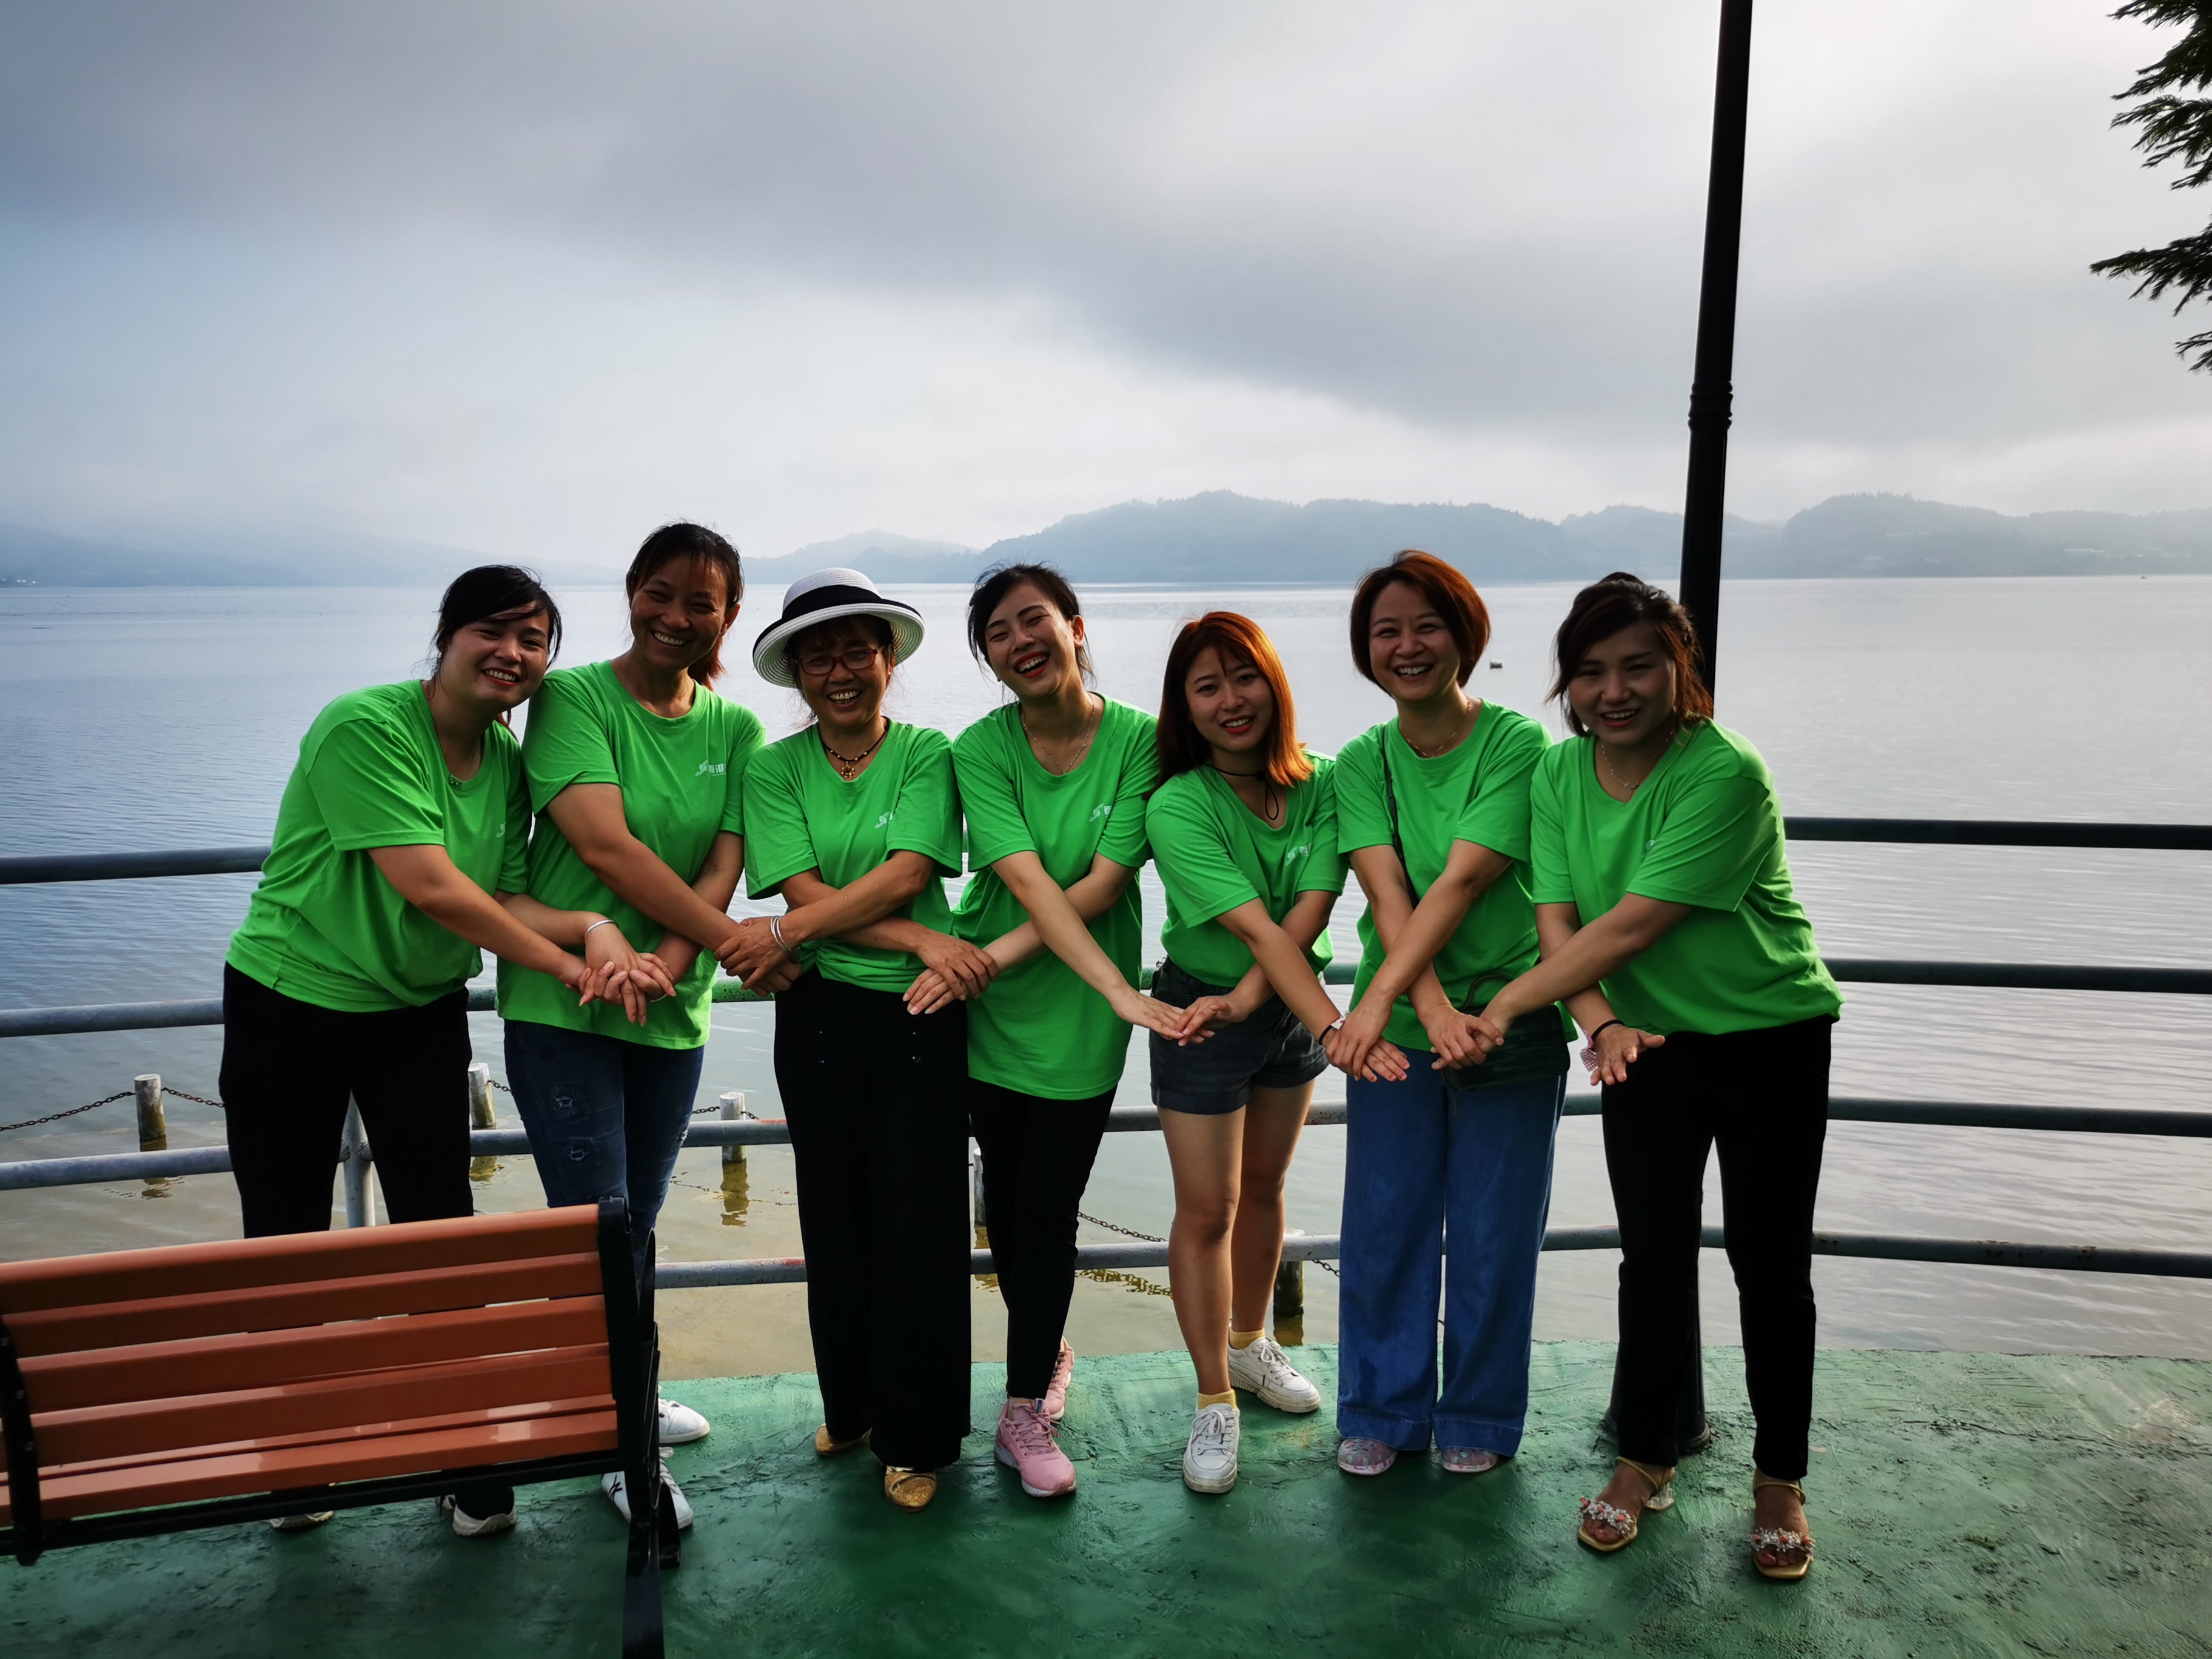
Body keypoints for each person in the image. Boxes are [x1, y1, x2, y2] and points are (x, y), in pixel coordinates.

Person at [223, 565, 664, 1539]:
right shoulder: (367, 724)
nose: (512, 654)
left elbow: (501, 895)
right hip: (290, 1002)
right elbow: (430, 884)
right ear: (447, 636)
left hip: (418, 1015)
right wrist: (568, 961)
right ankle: (297, 1468)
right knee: (286, 1236)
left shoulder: (505, 760)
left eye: (535, 641)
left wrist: (591, 924)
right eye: (492, 632)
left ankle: (468, 1467)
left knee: (442, 1237)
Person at [1465, 572, 1841, 1580]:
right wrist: (1600, 1021)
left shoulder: (1725, 772)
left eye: (1638, 666)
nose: (1614, 691)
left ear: (1681, 668)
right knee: (1654, 1260)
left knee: (1770, 1265)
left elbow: (1633, 924)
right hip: (1645, 1045)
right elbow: (1559, 919)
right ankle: (1644, 1462)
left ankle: (1780, 1480)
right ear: (1568, 684)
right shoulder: (1559, 773)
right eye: (1591, 672)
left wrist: (1504, 1008)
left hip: (1769, 1037)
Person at [497, 522, 786, 1532]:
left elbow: (725, 859)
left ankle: (627, 1389)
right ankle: (620, 1439)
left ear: (729, 615)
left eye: (700, 602)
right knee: (600, 1227)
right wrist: (725, 944)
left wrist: (672, 960)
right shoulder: (574, 698)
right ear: (630, 592)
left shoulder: (736, 729)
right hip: (568, 1003)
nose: (675, 616)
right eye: (658, 593)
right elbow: (604, 847)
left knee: (639, 1224)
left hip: (670, 1006)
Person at [925, 564, 1187, 1501]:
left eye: (1033, 619)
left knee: (1046, 1207)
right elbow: (1028, 881)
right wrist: (981, 970)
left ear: (1075, 626)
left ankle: (1023, 1405)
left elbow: (1103, 887)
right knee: (1008, 1206)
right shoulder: (980, 748)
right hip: (988, 1007)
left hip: (1082, 1011)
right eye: (997, 633)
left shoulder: (1144, 741)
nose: (1019, 642)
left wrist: (1109, 988)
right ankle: (1044, 1353)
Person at [732, 567, 989, 1512]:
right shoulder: (774, 767)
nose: (840, 672)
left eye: (856, 651)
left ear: (888, 659)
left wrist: (787, 932)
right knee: (833, 1218)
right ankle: (852, 1407)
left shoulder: (926, 753)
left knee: (920, 1225)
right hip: (818, 1014)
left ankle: (917, 1437)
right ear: (798, 675)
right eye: (819, 658)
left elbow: (908, 871)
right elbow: (804, 890)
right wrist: (919, 935)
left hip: (920, 1012)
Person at [1142, 611, 1407, 1496]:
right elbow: (1257, 927)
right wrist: (1331, 1026)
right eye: (1206, 686)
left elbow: (1312, 909)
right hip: (1203, 1013)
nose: (1231, 700)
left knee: (1265, 1186)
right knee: (1207, 1208)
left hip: (1279, 1009)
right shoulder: (1179, 804)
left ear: (1274, 682)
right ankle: (1213, 1396)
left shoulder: (1324, 781)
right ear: (1185, 706)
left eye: (1244, 676)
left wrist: (1272, 1006)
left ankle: (1252, 1345)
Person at [1322, 551, 1567, 1480]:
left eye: (1427, 625)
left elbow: (1464, 880)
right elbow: (1388, 896)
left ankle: (1480, 1415)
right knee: (1384, 1225)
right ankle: (1382, 1411)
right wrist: (1422, 1007)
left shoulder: (1515, 743)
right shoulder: (1361, 761)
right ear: (1366, 649)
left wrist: (1420, 1005)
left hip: (1509, 1016)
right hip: (1399, 1032)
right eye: (1386, 631)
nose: (1408, 646)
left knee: (1496, 1233)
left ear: (1465, 633)